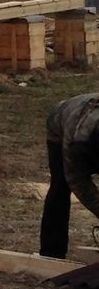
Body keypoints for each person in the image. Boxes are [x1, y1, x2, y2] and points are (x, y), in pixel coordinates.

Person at [40, 92, 99, 258]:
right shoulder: (76, 142)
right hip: (61, 123)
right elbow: (77, 180)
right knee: (60, 187)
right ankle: (52, 252)